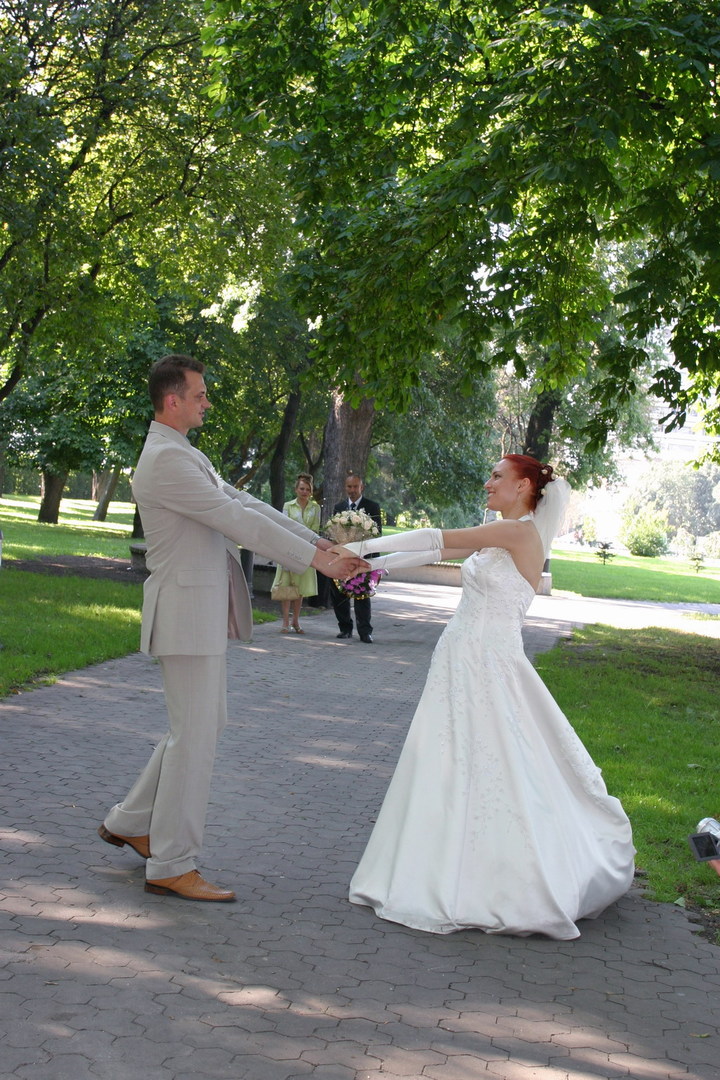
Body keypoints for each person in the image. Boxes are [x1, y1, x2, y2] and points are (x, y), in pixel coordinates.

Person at [98, 355, 367, 902]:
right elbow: (237, 522)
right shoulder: (166, 460)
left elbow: (245, 503)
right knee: (194, 738)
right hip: (184, 613)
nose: (207, 402)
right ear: (172, 400)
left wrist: (318, 542)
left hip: (194, 613)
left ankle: (130, 822)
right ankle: (171, 863)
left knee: (200, 727)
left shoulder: (183, 452)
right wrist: (318, 563)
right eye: (200, 395)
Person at [336, 454, 635, 939]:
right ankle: (439, 864)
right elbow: (437, 552)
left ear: (524, 487)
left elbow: (436, 538)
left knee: (499, 758)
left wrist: (360, 546)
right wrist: (373, 566)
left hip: (489, 661)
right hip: (458, 658)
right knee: (450, 758)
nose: (488, 483)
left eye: (498, 476)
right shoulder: (500, 532)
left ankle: (497, 877)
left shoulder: (518, 533)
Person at [331, 473, 382, 643]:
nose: (352, 490)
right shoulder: (339, 507)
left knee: (362, 594)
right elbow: (334, 534)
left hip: (363, 558)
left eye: (355, 486)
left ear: (362, 487)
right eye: (349, 486)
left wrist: (372, 562)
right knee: (339, 595)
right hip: (343, 558)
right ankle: (345, 628)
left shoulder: (372, 507)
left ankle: (365, 631)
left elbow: (378, 534)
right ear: (345, 487)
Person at [271, 473, 321, 634]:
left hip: (306, 550)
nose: (304, 492)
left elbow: (315, 529)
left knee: (300, 588)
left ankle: (296, 621)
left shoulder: (316, 508)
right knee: (286, 586)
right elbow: (284, 526)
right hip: (289, 549)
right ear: (296, 489)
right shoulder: (288, 506)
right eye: (302, 488)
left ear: (311, 491)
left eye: (307, 489)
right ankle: (285, 622)